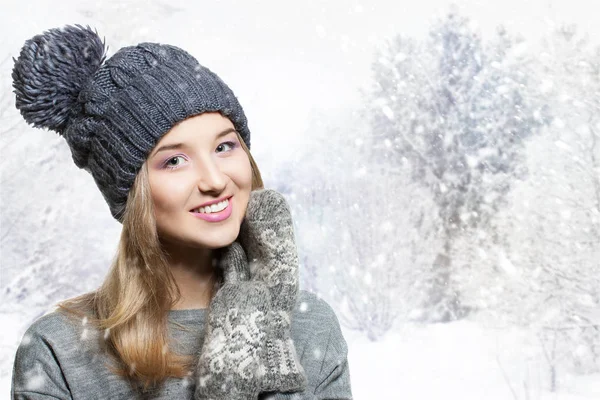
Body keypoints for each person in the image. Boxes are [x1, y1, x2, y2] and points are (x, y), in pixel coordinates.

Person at [10, 24, 353, 400]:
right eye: (175, 160)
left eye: (225, 147)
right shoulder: (59, 351)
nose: (214, 179)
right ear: (132, 193)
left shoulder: (308, 326)